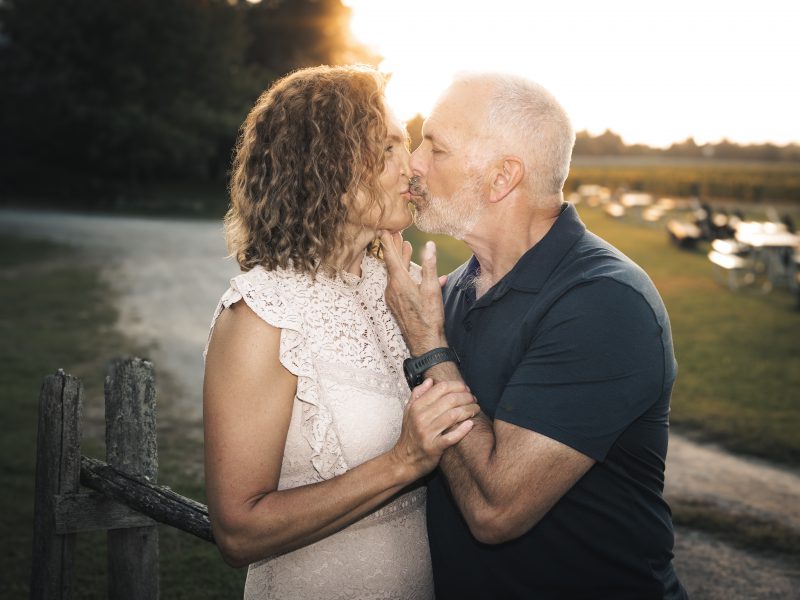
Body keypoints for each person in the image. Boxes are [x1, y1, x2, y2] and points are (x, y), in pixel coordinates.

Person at [381, 73, 688, 599]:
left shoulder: (606, 303)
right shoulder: (451, 290)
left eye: (437, 147)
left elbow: (496, 510)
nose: (415, 162)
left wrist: (428, 347)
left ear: (502, 177)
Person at [202, 65, 478, 599]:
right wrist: (403, 462)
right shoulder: (261, 314)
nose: (413, 167)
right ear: (326, 163)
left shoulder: (395, 291)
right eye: (389, 148)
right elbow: (237, 531)